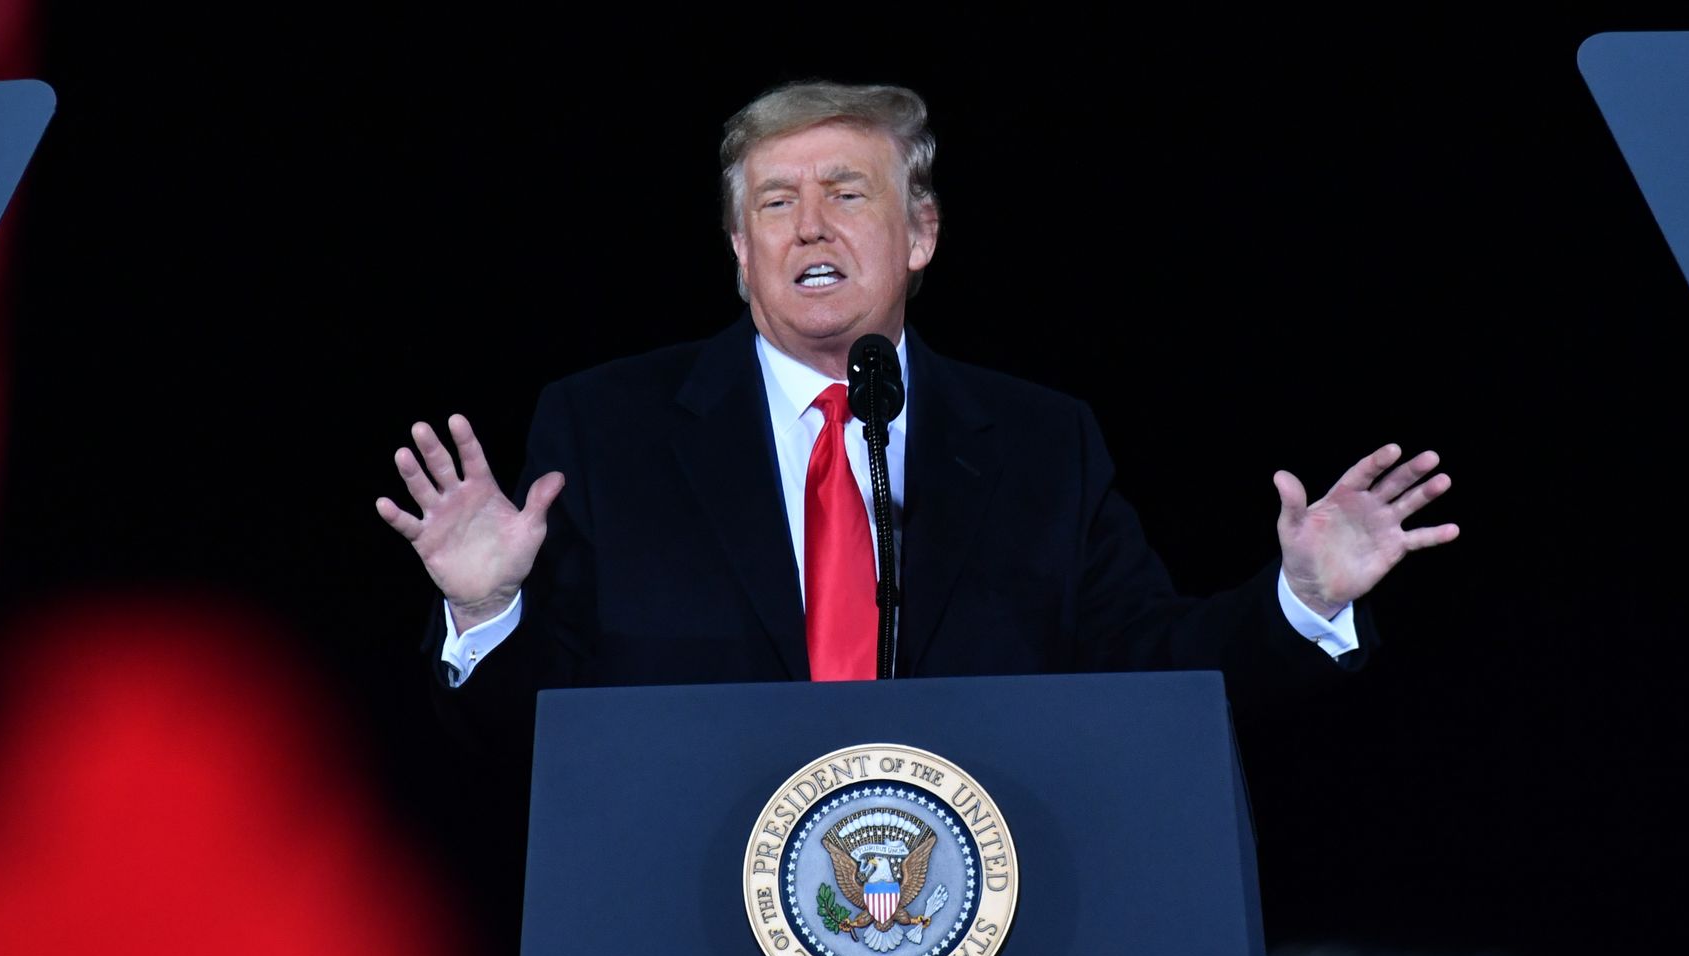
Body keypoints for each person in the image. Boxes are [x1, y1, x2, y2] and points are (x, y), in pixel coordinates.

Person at [375, 80, 1457, 724]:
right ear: (741, 250)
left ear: (922, 232)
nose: (811, 228)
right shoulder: (605, 430)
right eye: (777, 204)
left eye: (848, 195)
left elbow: (1148, 678)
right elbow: (535, 735)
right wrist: (483, 615)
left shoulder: (1042, 444)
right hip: (691, 922)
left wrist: (1299, 601)